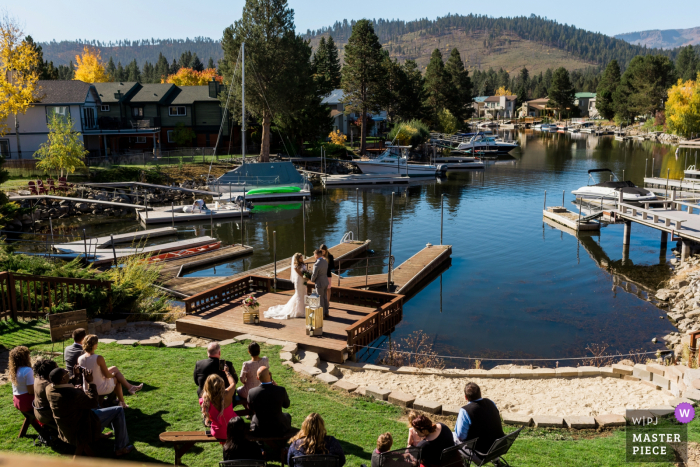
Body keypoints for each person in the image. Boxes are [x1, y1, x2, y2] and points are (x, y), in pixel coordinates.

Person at [46, 366, 134, 456]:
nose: (69, 373)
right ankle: (121, 448)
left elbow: (65, 388)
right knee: (118, 410)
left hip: (67, 425)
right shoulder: (73, 394)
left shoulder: (49, 388)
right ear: (63, 378)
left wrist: (76, 376)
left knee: (99, 405)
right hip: (82, 425)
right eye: (67, 373)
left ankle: (100, 434)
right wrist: (91, 383)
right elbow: (93, 403)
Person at [77, 335, 143, 409]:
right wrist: (113, 374)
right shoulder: (99, 358)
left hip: (87, 388)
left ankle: (130, 389)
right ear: (95, 345)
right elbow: (107, 375)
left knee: (114, 368)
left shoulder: (79, 358)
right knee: (116, 379)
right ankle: (123, 401)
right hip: (98, 388)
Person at [454, 382, 505, 456]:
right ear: (480, 393)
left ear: (465, 397)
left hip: (481, 452)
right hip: (498, 446)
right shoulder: (490, 402)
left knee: (453, 438)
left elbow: (461, 436)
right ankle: (495, 459)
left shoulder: (465, 411)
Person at [247, 366, 291, 437]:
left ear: (257, 378)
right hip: (278, 428)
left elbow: (250, 408)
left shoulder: (252, 392)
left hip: (260, 428)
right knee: (287, 416)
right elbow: (286, 405)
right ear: (270, 374)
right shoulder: (281, 390)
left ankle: (260, 445)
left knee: (254, 417)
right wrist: (277, 388)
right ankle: (282, 445)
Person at [9, 346, 43, 435]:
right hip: (27, 402)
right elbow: (31, 391)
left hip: (16, 400)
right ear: (25, 357)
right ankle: (46, 429)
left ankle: (41, 429)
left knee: (30, 416)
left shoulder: (14, 370)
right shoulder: (27, 370)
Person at [263, 253, 306, 319]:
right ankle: (299, 311)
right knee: (299, 294)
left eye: (302, 257)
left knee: (303, 293)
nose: (302, 259)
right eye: (300, 258)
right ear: (297, 259)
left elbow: (305, 271)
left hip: (303, 281)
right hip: (299, 280)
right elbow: (300, 274)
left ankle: (304, 308)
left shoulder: (303, 264)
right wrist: (306, 277)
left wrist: (308, 274)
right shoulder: (295, 266)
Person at [200, 372, 238, 442]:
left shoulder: (205, 400)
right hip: (233, 429)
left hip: (218, 432)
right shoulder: (227, 394)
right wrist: (227, 373)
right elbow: (233, 383)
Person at [32, 357, 59, 428]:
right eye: (56, 368)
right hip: (46, 416)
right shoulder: (48, 385)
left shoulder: (38, 377)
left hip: (38, 412)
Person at [310, 249, 330, 318]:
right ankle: (326, 312)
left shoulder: (317, 264)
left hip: (319, 283)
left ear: (316, 255)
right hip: (325, 281)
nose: (314, 256)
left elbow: (314, 275)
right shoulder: (325, 261)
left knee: (320, 299)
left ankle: (322, 314)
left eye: (314, 255)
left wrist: (311, 279)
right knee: (325, 297)